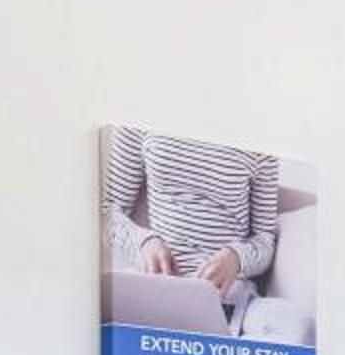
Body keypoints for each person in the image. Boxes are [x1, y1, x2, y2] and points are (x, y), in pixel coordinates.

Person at [105, 128, 278, 315]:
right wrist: (143, 243)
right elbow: (107, 211)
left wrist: (236, 258)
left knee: (291, 321)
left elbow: (265, 239)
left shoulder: (261, 135)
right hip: (155, 283)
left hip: (229, 293)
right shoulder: (137, 119)